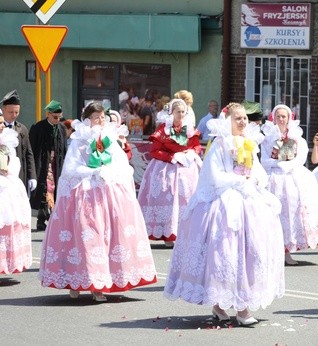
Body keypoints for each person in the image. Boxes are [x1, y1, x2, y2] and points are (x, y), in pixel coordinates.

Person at [163, 102, 285, 326]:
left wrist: (253, 180)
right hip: (225, 202)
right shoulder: (219, 145)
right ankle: (225, 304)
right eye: (237, 118)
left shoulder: (249, 144)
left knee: (250, 253)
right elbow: (214, 176)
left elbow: (259, 172)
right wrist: (239, 181)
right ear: (227, 121)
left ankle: (241, 305)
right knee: (225, 254)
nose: (242, 122)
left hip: (248, 200)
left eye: (245, 119)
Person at [38, 102, 157, 302]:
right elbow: (71, 168)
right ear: (87, 120)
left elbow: (122, 164)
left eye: (102, 117)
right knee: (86, 238)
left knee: (107, 238)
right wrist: (93, 171)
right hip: (85, 193)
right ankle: (75, 281)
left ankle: (99, 285)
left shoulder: (111, 137)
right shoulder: (79, 139)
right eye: (95, 117)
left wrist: (109, 172)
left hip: (107, 190)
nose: (100, 121)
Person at [261, 104, 318, 265]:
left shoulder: (296, 138)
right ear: (273, 118)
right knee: (274, 216)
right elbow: (263, 160)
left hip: (293, 178)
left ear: (289, 118)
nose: (281, 119)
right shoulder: (267, 138)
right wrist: (277, 163)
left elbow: (301, 158)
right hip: (273, 178)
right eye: (278, 116)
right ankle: (273, 252)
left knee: (292, 214)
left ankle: (287, 251)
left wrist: (286, 165)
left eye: (284, 116)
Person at [138, 99, 202, 247]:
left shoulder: (189, 129)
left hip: (186, 167)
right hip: (166, 168)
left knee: (187, 199)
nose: (180, 114)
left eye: (182, 112)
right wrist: (171, 157)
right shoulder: (163, 129)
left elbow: (197, 146)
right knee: (167, 197)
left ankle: (184, 232)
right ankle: (167, 234)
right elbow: (155, 151)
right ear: (171, 113)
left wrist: (191, 153)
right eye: (177, 112)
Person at [0, 115, 32, 274]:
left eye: (1, 123)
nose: (1, 126)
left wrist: (8, 168)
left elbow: (16, 160)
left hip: (8, 184)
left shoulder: (7, 140)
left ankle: (5, 264)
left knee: (10, 222)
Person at [29, 100, 68, 231]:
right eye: (55, 117)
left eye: (59, 117)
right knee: (44, 190)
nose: (57, 119)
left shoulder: (62, 128)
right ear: (48, 114)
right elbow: (32, 148)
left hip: (56, 165)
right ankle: (41, 219)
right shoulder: (38, 127)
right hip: (42, 164)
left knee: (54, 190)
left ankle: (52, 219)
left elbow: (64, 149)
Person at [1, 90, 36, 193]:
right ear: (3, 110)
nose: (14, 115)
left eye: (17, 112)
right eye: (11, 112)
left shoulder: (22, 129)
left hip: (19, 175)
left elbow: (29, 154)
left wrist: (32, 176)